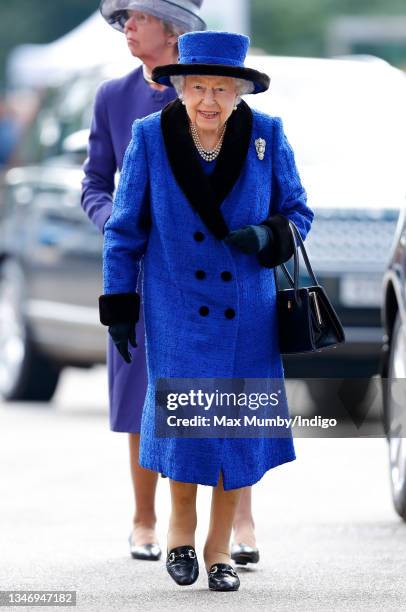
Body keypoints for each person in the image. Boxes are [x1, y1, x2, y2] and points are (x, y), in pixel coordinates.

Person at [99, 30, 314, 591]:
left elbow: (298, 211)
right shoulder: (149, 137)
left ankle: (219, 547)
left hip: (248, 310)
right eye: (198, 87)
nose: (209, 100)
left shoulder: (267, 135)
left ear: (241, 90)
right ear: (179, 88)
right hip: (176, 307)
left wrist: (268, 235)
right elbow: (122, 231)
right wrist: (120, 306)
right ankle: (179, 529)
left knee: (236, 427)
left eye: (221, 88)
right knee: (189, 421)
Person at [83, 1, 263, 565]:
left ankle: (238, 522)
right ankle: (147, 519)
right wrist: (120, 223)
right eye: (123, 18)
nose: (126, 27)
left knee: (236, 399)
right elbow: (97, 180)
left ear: (172, 27)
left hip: (229, 286)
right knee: (149, 394)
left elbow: (282, 198)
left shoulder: (235, 106)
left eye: (138, 16)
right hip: (151, 276)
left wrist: (272, 233)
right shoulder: (119, 101)